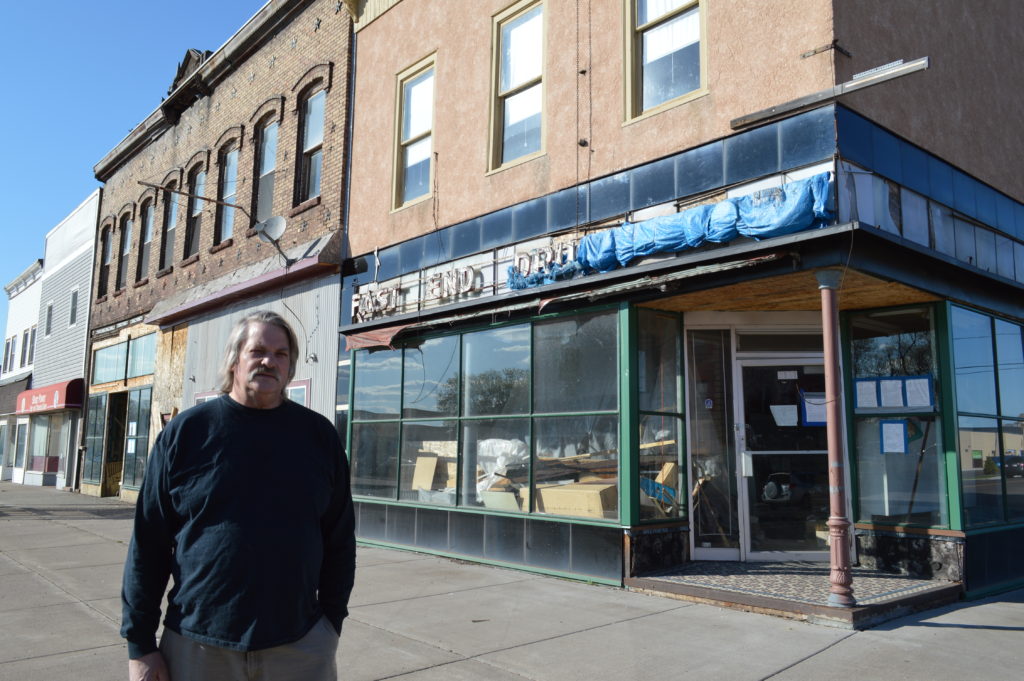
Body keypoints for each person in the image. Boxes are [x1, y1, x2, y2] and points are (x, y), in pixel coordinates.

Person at [121, 310, 355, 681]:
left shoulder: (319, 438)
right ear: (234, 360)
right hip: (197, 647)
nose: (269, 361)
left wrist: (330, 624)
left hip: (299, 647)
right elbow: (148, 545)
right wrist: (141, 646)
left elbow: (340, 540)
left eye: (281, 354)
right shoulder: (186, 433)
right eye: (257, 350)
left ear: (291, 365)